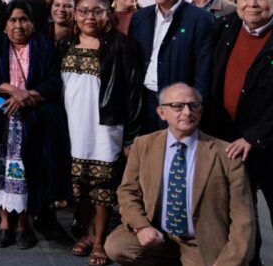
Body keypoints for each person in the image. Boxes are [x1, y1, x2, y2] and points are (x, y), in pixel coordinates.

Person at [104, 83, 255, 266]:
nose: (187, 112)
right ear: (161, 113)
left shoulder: (226, 154)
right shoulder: (144, 145)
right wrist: (141, 227)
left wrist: (231, 261)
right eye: (177, 106)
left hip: (199, 242)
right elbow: (127, 192)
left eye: (193, 105)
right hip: (159, 236)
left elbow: (243, 217)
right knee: (117, 246)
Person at [0, 0, 69, 250]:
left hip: (32, 116)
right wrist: (12, 91)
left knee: (25, 173)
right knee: (0, 174)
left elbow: (53, 82)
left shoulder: (44, 47)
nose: (18, 25)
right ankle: (4, 223)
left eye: (24, 19)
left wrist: (27, 98)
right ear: (4, 25)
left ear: (33, 24)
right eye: (13, 20)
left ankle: (23, 225)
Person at [58, 0, 142, 264]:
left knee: (102, 187)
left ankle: (100, 241)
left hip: (105, 127)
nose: (89, 17)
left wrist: (131, 136)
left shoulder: (121, 45)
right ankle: (87, 232)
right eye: (83, 11)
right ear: (75, 15)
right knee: (80, 186)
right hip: (72, 126)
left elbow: (132, 94)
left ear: (108, 13)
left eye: (97, 11)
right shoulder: (64, 43)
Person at [208, 0, 273, 266]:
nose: (253, 4)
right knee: (241, 220)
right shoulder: (223, 28)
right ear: (236, 2)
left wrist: (255, 136)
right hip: (229, 144)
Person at [128, 0, 213, 134]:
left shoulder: (199, 19)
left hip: (178, 105)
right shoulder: (140, 17)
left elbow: (203, 69)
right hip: (143, 101)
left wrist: (194, 107)